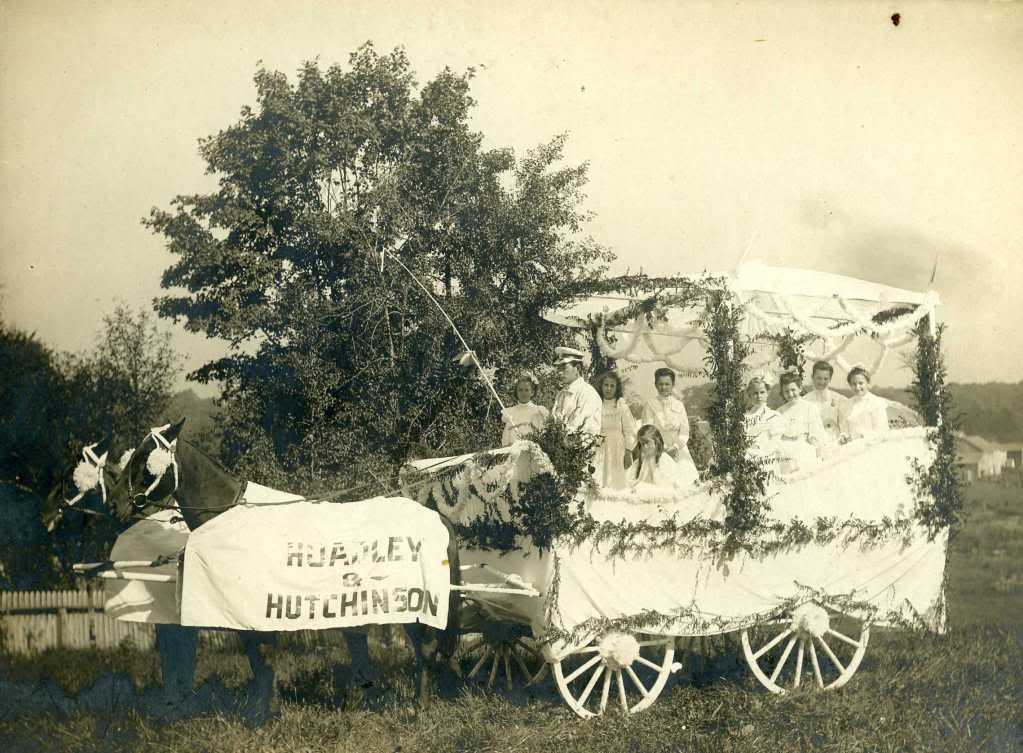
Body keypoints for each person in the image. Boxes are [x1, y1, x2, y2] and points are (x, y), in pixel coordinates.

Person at [641, 368, 699, 481]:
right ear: (655, 385)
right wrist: (662, 449)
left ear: (673, 385)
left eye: (667, 384)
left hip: (678, 449)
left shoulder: (679, 405)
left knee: (684, 481)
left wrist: (675, 447)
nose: (663, 387)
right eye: (660, 384)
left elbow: (684, 431)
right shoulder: (650, 404)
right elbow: (647, 430)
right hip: (657, 449)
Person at [594, 370, 638, 489]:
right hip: (600, 445)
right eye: (606, 385)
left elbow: (630, 429)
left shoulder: (620, 405)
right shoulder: (596, 404)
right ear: (601, 386)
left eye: (612, 386)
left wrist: (628, 451)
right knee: (600, 475)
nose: (608, 389)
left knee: (617, 478)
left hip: (618, 447)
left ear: (616, 388)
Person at [776, 370, 827, 472]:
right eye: (786, 391)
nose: (790, 394)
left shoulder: (809, 407)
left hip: (804, 447)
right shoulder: (779, 412)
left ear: (800, 388)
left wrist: (819, 452)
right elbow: (777, 435)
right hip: (785, 450)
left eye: (793, 390)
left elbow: (817, 433)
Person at [625, 424, 699, 491]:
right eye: (642, 444)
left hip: (661, 488)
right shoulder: (643, 460)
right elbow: (635, 478)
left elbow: (663, 483)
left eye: (647, 442)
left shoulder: (663, 459)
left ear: (656, 442)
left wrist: (642, 486)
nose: (644, 446)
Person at [551, 346, 603, 438]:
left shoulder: (587, 393)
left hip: (579, 449)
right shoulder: (561, 394)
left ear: (578, 368)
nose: (559, 372)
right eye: (558, 368)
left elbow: (583, 430)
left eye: (563, 367)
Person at [838, 366, 890, 441]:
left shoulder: (876, 403)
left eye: (861, 383)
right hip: (850, 447)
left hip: (872, 445)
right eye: (854, 384)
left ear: (868, 383)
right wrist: (843, 437)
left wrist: (861, 436)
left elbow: (882, 431)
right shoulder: (846, 405)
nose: (857, 387)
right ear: (850, 385)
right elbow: (843, 429)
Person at [501, 371, 550, 445]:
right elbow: (506, 435)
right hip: (513, 451)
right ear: (516, 392)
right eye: (520, 390)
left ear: (532, 392)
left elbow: (542, 434)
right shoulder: (511, 412)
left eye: (527, 390)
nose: (523, 393)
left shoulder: (538, 411)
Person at [803, 360, 847, 441]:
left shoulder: (839, 399)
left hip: (835, 439)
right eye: (819, 378)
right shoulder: (805, 400)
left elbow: (843, 423)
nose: (822, 382)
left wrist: (843, 435)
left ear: (830, 379)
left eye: (825, 378)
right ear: (812, 377)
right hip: (814, 440)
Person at [743, 376, 781, 452]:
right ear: (750, 395)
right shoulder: (745, 417)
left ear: (767, 393)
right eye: (755, 393)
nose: (759, 396)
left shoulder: (772, 416)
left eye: (762, 392)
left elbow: (775, 441)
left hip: (765, 455)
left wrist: (763, 453)